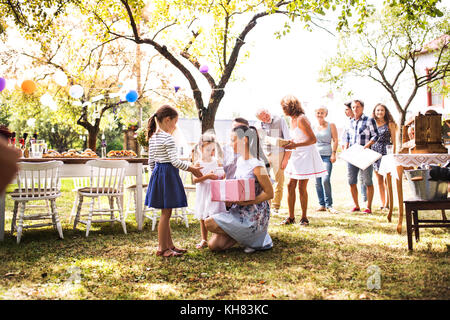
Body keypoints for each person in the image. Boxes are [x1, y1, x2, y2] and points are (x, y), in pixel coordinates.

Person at [145, 105, 203, 257]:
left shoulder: (153, 137)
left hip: (158, 173)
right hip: (168, 174)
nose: (175, 126)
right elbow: (175, 162)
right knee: (165, 214)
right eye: (175, 122)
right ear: (167, 119)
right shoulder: (167, 138)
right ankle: (162, 249)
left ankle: (169, 245)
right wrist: (193, 169)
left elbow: (151, 162)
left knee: (166, 212)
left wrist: (156, 176)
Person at [205, 125, 274, 253]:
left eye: (233, 140)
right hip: (238, 210)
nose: (230, 144)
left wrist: (249, 202)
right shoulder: (240, 161)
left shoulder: (258, 165)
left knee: (209, 223)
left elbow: (270, 193)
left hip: (253, 215)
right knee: (213, 245)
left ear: (244, 140)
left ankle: (256, 238)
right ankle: (245, 238)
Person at [280, 95, 327, 226]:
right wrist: (289, 143)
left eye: (284, 107)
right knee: (290, 185)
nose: (283, 109)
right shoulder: (291, 119)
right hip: (296, 154)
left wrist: (295, 145)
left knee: (301, 186)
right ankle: (291, 217)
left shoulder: (302, 119)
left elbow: (312, 139)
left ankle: (304, 218)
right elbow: (298, 137)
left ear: (291, 106)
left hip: (305, 155)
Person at [191, 134, 226, 249]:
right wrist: (207, 176)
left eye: (213, 149)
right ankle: (204, 239)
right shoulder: (198, 164)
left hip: (214, 191)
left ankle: (217, 235)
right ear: (201, 149)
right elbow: (195, 180)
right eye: (208, 149)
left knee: (214, 213)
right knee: (203, 215)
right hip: (203, 192)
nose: (211, 152)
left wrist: (221, 175)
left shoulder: (217, 162)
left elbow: (222, 174)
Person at [344, 99, 379, 214]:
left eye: (358, 107)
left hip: (365, 154)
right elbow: (347, 137)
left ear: (362, 108)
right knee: (351, 181)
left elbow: (375, 136)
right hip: (352, 155)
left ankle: (368, 207)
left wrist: (368, 145)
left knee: (367, 181)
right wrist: (346, 146)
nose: (355, 109)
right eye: (353, 107)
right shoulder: (350, 121)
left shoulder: (369, 120)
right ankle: (356, 205)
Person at [255, 108, 291, 215]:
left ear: (268, 111)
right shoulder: (257, 125)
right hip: (265, 154)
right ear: (259, 119)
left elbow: (288, 140)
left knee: (279, 180)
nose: (266, 117)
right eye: (263, 117)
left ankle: (276, 207)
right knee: (263, 179)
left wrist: (286, 158)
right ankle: (267, 206)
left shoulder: (280, 120)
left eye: (266, 114)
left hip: (278, 153)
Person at [312, 106, 339, 214]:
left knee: (325, 180)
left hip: (327, 156)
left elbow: (336, 139)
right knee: (317, 181)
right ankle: (322, 204)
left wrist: (334, 153)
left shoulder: (331, 125)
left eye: (322, 113)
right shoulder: (313, 126)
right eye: (318, 113)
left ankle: (329, 205)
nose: (320, 114)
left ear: (326, 114)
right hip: (315, 156)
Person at [371, 103, 397, 210]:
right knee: (379, 180)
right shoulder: (372, 123)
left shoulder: (390, 124)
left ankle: (388, 203)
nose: (380, 112)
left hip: (386, 152)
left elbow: (394, 141)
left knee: (387, 179)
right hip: (375, 153)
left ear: (385, 112)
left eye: (382, 110)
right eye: (378, 110)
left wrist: (393, 155)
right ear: (375, 112)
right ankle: (383, 204)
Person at [341, 102, 367, 204]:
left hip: (361, 152)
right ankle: (357, 202)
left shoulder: (363, 121)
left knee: (363, 177)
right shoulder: (348, 122)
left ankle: (365, 199)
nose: (346, 111)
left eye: (347, 109)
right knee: (352, 178)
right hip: (350, 153)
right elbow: (346, 137)